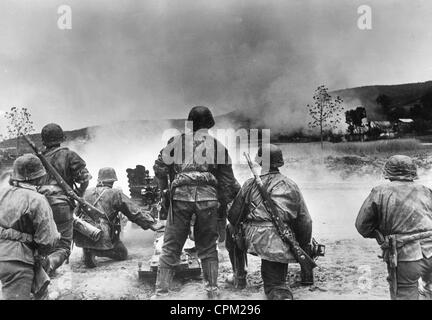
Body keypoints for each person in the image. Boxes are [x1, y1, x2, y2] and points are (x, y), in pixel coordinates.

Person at [152, 106, 240, 299]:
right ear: (209, 124)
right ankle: (212, 292)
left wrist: (165, 193)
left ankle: (161, 294)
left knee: (170, 247)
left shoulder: (175, 143)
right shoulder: (217, 146)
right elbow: (227, 182)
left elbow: (159, 168)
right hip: (208, 200)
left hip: (180, 198)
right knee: (208, 248)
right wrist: (221, 205)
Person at [226, 144, 312, 300]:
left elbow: (233, 218)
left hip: (252, 237)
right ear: (279, 162)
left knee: (229, 229)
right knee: (275, 286)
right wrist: (302, 245)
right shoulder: (291, 185)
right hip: (279, 239)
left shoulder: (249, 184)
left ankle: (239, 277)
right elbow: (305, 221)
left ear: (260, 161)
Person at [356, 155, 432, 300]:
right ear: (412, 172)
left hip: (406, 256)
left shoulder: (380, 191)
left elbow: (362, 226)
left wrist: (379, 235)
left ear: (388, 173)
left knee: (405, 294)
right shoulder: (426, 190)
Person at [75, 167, 164, 267]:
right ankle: (96, 252)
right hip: (101, 234)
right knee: (122, 254)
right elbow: (133, 211)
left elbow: (75, 213)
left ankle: (88, 250)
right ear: (112, 181)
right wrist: (151, 223)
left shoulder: (86, 192)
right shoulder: (115, 193)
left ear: (99, 180)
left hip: (83, 233)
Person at [0, 154, 60, 300]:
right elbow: (47, 241)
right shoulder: (37, 199)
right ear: (39, 178)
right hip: (17, 261)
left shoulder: (1, 193)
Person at [38, 123, 92, 275]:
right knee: (63, 246)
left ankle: (43, 264)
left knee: (42, 240)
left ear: (44, 140)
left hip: (38, 204)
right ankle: (49, 265)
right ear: (61, 138)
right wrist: (78, 195)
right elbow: (84, 178)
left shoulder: (38, 159)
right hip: (61, 204)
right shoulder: (69, 155)